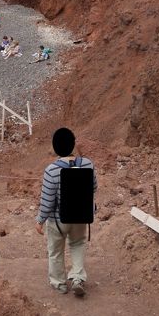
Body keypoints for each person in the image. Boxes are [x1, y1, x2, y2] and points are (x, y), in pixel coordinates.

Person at [35, 127, 97, 297]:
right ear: (73, 144)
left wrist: (40, 220)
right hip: (81, 215)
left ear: (55, 148)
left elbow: (47, 201)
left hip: (58, 220)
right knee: (77, 244)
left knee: (55, 251)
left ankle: (60, 283)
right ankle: (77, 278)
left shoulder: (51, 170)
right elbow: (93, 187)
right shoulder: (87, 164)